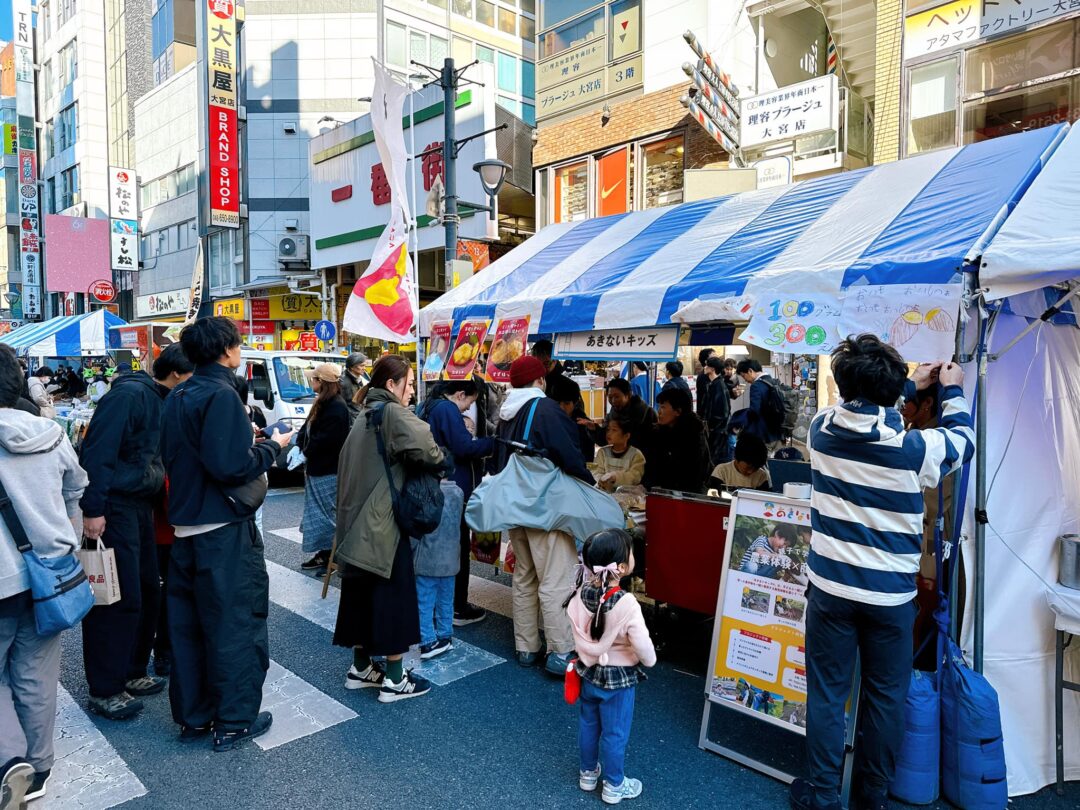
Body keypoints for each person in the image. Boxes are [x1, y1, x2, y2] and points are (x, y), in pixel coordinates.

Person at [789, 335, 973, 810]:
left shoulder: (820, 429)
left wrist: (907, 383)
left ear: (841, 384)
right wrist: (952, 388)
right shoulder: (914, 449)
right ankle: (871, 797)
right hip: (890, 597)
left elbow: (869, 410)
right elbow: (963, 441)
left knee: (827, 695)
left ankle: (822, 795)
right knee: (886, 698)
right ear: (892, 393)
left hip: (830, 590)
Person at [161, 317, 293, 751]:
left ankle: (195, 717)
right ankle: (234, 720)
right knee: (234, 625)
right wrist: (273, 445)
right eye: (237, 343)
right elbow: (232, 466)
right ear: (226, 350)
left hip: (185, 527)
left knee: (188, 628)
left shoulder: (179, 394)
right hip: (222, 529)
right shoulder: (222, 394)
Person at [77, 344, 191, 720]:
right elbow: (97, 453)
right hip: (115, 506)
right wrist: (93, 509)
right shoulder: (128, 396)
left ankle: (132, 670)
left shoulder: (160, 398)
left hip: (140, 506)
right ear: (177, 374)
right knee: (114, 596)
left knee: (145, 591)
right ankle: (105, 688)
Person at [0, 344, 89, 806]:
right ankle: (37, 768)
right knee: (36, 672)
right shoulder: (49, 432)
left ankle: (8, 760)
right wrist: (67, 529)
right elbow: (77, 484)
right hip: (49, 574)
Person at [333, 355, 444, 702]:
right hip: (381, 524)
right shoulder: (392, 412)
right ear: (391, 384)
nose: (412, 391)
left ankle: (361, 668)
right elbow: (429, 448)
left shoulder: (365, 413)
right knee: (395, 598)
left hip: (355, 525)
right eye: (408, 384)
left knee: (360, 598)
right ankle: (395, 679)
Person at [491, 355, 594, 676]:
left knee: (524, 575)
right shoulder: (545, 409)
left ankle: (526, 646)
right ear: (540, 380)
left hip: (515, 506)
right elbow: (570, 457)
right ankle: (561, 651)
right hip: (544, 508)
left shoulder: (507, 412)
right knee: (556, 579)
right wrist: (590, 485)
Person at [568, 529, 656, 806]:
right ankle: (614, 785)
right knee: (615, 733)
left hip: (588, 671)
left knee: (588, 724)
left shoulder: (581, 591)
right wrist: (649, 660)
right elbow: (642, 645)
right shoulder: (626, 603)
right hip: (618, 680)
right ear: (622, 567)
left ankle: (587, 773)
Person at [418, 379, 496, 630]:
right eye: (469, 403)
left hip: (434, 488)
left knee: (436, 549)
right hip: (453, 490)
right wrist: (494, 443)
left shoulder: (428, 405)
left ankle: (438, 605)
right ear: (460, 394)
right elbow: (463, 447)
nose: (467, 409)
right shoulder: (447, 409)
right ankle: (457, 606)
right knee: (457, 548)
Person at [297, 363, 351, 575]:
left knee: (326, 514)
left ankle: (332, 556)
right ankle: (325, 553)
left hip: (328, 469)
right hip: (318, 466)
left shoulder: (337, 406)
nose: (311, 381)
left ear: (322, 382)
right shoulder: (323, 402)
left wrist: (305, 450)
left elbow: (327, 440)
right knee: (320, 513)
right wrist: (300, 444)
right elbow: (307, 428)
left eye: (314, 378)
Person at [642, 388, 711, 494]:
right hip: (660, 493)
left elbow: (697, 474)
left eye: (663, 407)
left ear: (678, 411)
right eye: (659, 406)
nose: (659, 411)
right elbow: (651, 466)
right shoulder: (657, 433)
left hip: (688, 495)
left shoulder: (694, 435)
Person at [580, 378, 656, 454]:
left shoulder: (646, 413)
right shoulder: (613, 413)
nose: (613, 401)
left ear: (628, 395)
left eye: (617, 397)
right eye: (610, 397)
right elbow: (605, 440)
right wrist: (594, 429)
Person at [732, 358, 784, 448]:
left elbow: (754, 411)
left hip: (763, 434)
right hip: (778, 433)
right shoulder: (773, 381)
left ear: (750, 371)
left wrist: (738, 419)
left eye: (744, 376)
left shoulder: (756, 386)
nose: (745, 380)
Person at [548, 373, 596, 464]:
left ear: (575, 403)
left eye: (566, 403)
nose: (561, 408)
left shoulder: (584, 426)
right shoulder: (548, 421)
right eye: (558, 403)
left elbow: (587, 459)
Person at [594, 419, 645, 492]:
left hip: (627, 495)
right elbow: (596, 471)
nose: (609, 433)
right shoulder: (602, 452)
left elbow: (634, 477)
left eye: (614, 430)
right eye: (608, 430)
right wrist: (602, 481)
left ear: (626, 436)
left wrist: (615, 477)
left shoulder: (636, 454)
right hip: (604, 493)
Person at [703, 356, 733, 465]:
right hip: (716, 431)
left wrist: (711, 427)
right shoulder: (714, 384)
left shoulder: (718, 386)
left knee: (715, 461)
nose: (704, 367)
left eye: (707, 365)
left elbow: (723, 412)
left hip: (718, 433)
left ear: (712, 369)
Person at [339, 352, 368, 419]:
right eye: (362, 366)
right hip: (351, 420)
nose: (364, 368)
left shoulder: (358, 378)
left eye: (365, 366)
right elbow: (352, 406)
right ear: (352, 367)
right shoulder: (345, 382)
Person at [695, 348, 716, 417]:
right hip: (707, 416)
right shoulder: (702, 377)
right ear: (706, 362)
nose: (716, 360)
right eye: (713, 358)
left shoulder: (715, 375)